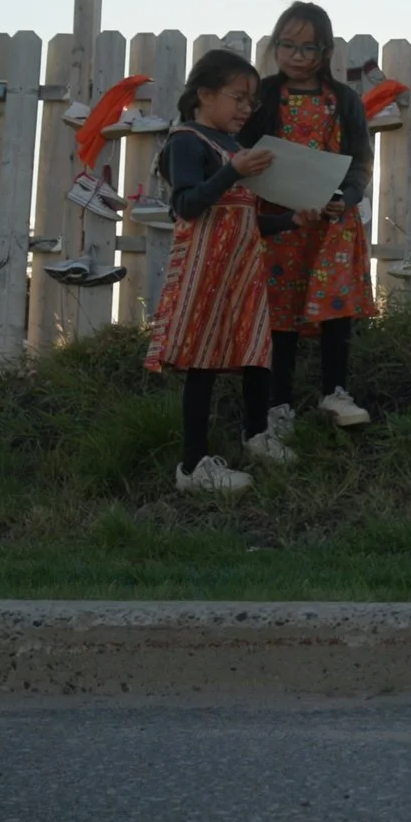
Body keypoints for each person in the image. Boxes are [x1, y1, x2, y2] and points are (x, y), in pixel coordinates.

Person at [144, 49, 302, 493]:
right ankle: (193, 467)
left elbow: (246, 218)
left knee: (256, 349)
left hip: (243, 267)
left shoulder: (236, 149)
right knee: (203, 360)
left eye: (251, 101)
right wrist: (231, 172)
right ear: (204, 95)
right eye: (238, 97)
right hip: (205, 268)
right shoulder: (186, 142)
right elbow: (186, 205)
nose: (246, 109)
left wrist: (291, 220)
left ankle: (256, 437)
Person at [241, 0, 376, 433]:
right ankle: (278, 404)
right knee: (280, 314)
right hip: (280, 223)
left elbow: (360, 162)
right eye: (288, 45)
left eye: (309, 48)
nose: (297, 57)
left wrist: (348, 196)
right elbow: (239, 151)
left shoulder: (345, 100)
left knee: (336, 309)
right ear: (275, 45)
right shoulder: (260, 96)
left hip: (332, 223)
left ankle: (335, 392)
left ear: (325, 52)